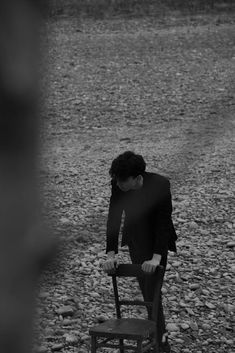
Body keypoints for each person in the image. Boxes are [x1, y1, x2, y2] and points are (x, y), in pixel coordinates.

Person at [103, 151, 177, 353]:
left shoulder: (160, 185)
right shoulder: (118, 185)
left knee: (152, 291)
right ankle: (157, 337)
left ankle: (161, 342)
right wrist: (111, 253)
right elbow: (114, 219)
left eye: (123, 180)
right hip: (136, 238)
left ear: (137, 178)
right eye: (116, 179)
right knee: (147, 292)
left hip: (157, 240)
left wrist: (156, 257)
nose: (119, 184)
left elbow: (164, 223)